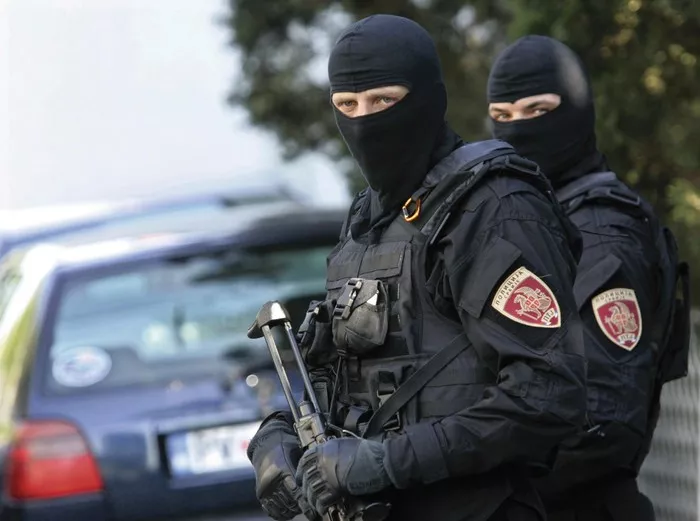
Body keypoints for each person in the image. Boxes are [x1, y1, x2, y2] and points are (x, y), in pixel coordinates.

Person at [247, 15, 589, 521]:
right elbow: (343, 377)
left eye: (383, 100)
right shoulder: (368, 219)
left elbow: (549, 393)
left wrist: (389, 463)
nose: (364, 121)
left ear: (427, 97)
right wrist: (276, 439)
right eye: (347, 105)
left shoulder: (492, 208)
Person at [486, 35, 691, 521]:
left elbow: (602, 421)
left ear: (577, 110)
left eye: (538, 110)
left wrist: (487, 494)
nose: (517, 130)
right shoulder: (539, 218)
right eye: (503, 115)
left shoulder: (601, 231)